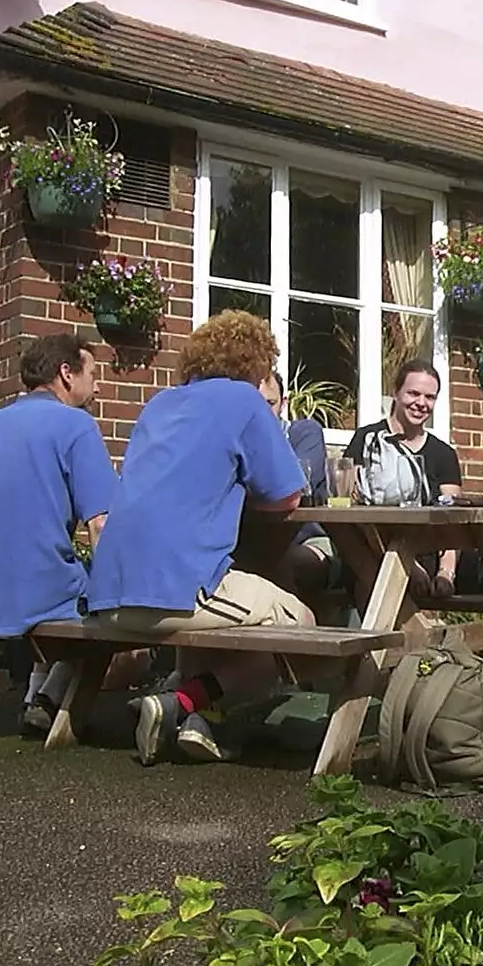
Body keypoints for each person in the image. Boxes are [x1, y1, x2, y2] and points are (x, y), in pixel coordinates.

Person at [88, 310, 314, 765]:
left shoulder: (160, 404)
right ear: (256, 364)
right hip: (172, 593)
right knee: (302, 625)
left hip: (105, 598)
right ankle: (185, 703)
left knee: (226, 608)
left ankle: (196, 715)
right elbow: (288, 497)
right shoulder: (244, 402)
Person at [0, 334, 119, 735]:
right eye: (93, 375)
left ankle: (35, 698)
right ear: (66, 373)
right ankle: (50, 698)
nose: (97, 387)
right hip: (37, 592)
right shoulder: (76, 425)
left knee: (63, 575)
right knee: (107, 601)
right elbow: (102, 525)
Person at [343, 359, 465, 596]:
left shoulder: (443, 454)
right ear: (396, 393)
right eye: (413, 393)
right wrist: (405, 565)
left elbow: (452, 521)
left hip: (425, 553)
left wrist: (446, 573)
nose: (421, 403)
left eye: (429, 397)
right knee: (370, 578)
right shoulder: (366, 440)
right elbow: (351, 505)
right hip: (372, 549)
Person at [258, 370, 335, 597]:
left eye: (269, 403)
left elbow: (294, 485)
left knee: (277, 565)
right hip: (257, 542)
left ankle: (300, 625)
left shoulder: (303, 433)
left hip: (310, 539)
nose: (262, 413)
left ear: (283, 403)